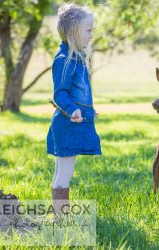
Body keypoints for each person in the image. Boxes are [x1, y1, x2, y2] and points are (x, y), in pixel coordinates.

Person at [46, 3, 101, 216]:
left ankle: (60, 215)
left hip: (74, 123)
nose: (91, 35)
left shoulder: (76, 58)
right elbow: (60, 94)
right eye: (88, 30)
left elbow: (79, 94)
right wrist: (73, 110)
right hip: (67, 125)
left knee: (64, 170)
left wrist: (87, 110)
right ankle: (61, 218)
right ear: (73, 32)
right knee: (64, 172)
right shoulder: (63, 60)